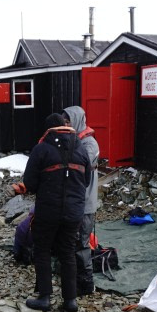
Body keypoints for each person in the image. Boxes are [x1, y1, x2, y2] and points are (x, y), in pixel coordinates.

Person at [7, 114, 90, 312]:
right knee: (67, 251)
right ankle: (70, 301)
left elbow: (31, 183)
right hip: (74, 211)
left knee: (42, 250)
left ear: (48, 130)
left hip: (48, 210)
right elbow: (86, 181)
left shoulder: (41, 148)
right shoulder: (81, 148)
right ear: (65, 126)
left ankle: (44, 297)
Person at [63, 105, 99, 297]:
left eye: (68, 121)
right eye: (64, 122)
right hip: (73, 202)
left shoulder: (89, 144)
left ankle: (87, 284)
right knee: (72, 242)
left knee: (82, 244)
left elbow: (78, 165)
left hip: (85, 204)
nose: (66, 124)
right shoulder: (74, 141)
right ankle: (72, 278)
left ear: (76, 121)